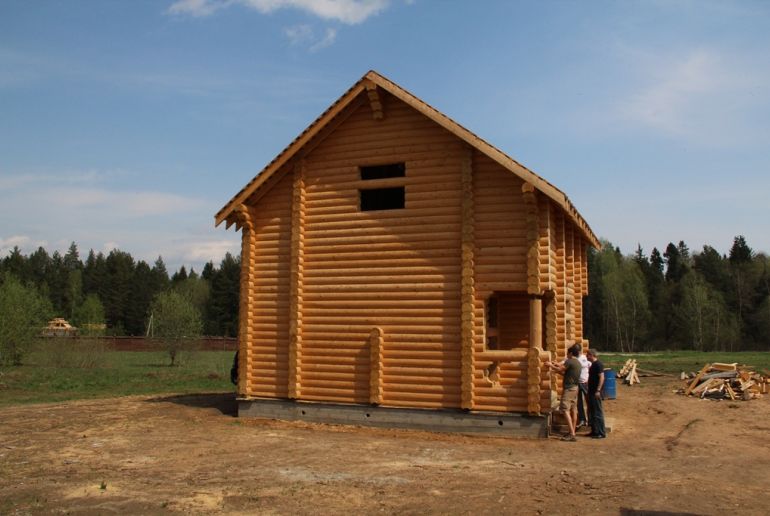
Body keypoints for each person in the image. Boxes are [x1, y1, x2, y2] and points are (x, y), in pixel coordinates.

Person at [546, 345, 582, 441]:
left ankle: (572, 434)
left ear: (570, 353)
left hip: (569, 389)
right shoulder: (577, 363)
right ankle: (572, 431)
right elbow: (565, 373)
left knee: (565, 410)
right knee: (573, 410)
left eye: (567, 353)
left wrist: (550, 365)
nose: (566, 354)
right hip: (575, 388)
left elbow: (560, 369)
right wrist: (555, 366)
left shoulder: (569, 361)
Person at [586, 348, 607, 439]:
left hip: (596, 392)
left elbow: (602, 378)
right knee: (593, 412)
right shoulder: (593, 365)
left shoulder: (598, 364)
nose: (586, 356)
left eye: (588, 355)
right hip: (591, 392)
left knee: (598, 412)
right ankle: (594, 431)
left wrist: (598, 390)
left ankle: (601, 432)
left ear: (591, 355)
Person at [575, 343, 591, 429]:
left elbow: (590, 365)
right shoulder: (573, 358)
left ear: (580, 350)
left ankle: (590, 420)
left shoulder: (584, 358)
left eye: (577, 350)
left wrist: (589, 378)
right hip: (577, 383)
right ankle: (582, 419)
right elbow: (564, 362)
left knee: (589, 401)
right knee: (579, 403)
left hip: (585, 383)